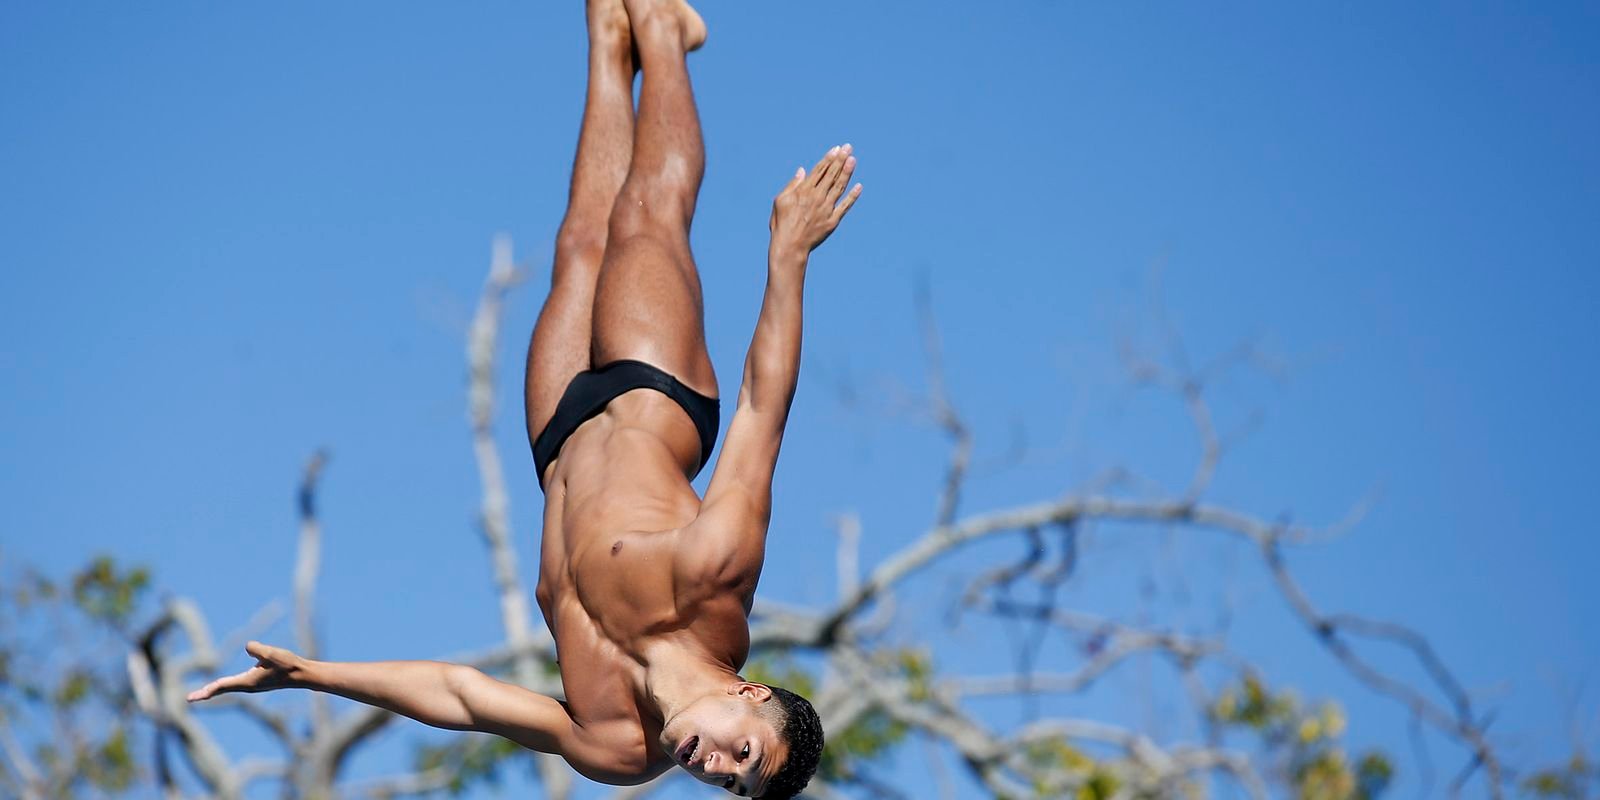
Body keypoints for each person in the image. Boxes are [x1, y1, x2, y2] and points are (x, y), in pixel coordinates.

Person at [187, 0, 862, 796]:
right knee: (649, 209)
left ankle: (611, 34)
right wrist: (788, 260)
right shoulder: (714, 578)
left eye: (727, 787)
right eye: (739, 754)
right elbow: (759, 411)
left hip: (559, 436)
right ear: (749, 696)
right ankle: (670, 36)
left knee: (581, 241)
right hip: (656, 390)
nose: (711, 768)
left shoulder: (613, 746)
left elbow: (464, 696)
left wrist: (319, 674)